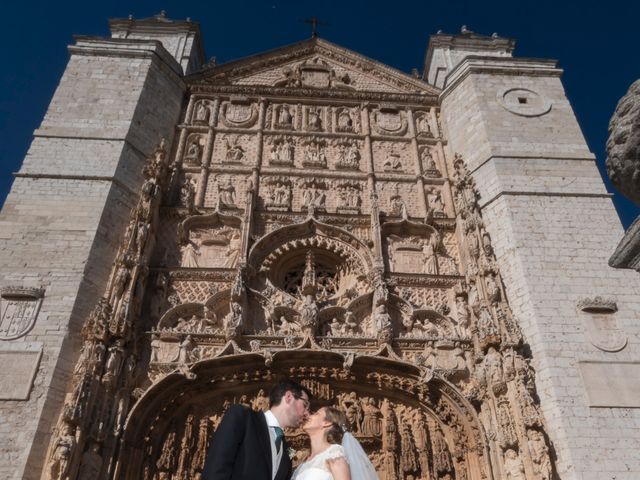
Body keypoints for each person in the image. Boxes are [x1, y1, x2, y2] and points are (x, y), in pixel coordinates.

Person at [202, 378, 311, 480]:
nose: (307, 414)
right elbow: (216, 467)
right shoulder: (242, 417)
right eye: (305, 405)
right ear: (289, 397)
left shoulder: (286, 453)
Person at [293, 407, 378, 480]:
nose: (308, 415)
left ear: (327, 423)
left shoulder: (334, 454)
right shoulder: (303, 463)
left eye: (316, 414)